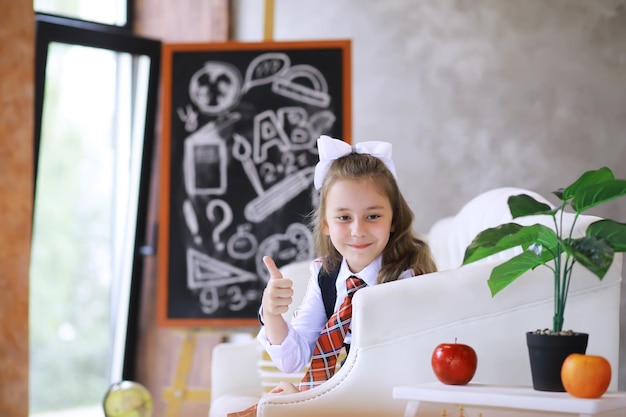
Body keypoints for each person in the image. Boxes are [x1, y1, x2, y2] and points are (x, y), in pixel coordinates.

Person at [226, 135, 437, 416]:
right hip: (341, 399)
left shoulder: (408, 280)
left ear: (393, 220)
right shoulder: (326, 277)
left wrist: (308, 402)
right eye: (343, 217)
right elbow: (294, 360)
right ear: (326, 224)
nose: (358, 230)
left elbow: (386, 376)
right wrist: (272, 314)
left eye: (373, 216)